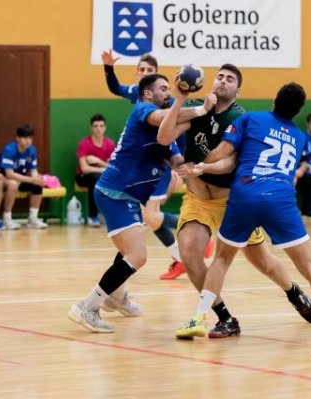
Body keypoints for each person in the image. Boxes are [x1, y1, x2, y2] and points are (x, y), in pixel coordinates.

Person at [172, 82, 311, 344]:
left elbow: (224, 155)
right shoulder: (299, 136)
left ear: (274, 100)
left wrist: (200, 165)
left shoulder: (250, 118)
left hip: (246, 194)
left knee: (222, 260)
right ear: (297, 111)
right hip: (280, 199)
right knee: (308, 265)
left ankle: (198, 318)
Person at [158, 65, 311, 339]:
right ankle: (224, 317)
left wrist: (201, 166)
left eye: (230, 80)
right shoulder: (197, 106)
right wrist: (181, 99)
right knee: (190, 253)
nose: (223, 81)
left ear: (237, 91)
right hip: (197, 199)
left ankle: (292, 290)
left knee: (261, 260)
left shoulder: (240, 117)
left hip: (231, 200)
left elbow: (232, 162)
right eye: (219, 77)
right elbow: (164, 136)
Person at [67, 73, 209, 332]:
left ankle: (116, 296)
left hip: (128, 195)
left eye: (170, 89)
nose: (168, 92)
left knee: (127, 250)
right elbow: (162, 118)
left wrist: (190, 169)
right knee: (137, 255)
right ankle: (87, 307)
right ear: (147, 94)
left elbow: (176, 160)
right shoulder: (144, 109)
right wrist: (198, 107)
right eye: (163, 89)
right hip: (115, 192)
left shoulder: (168, 131)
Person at [100, 49, 211, 279]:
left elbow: (173, 126)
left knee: (151, 217)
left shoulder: (166, 99)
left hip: (164, 158)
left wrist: (177, 160)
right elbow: (115, 88)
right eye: (141, 70)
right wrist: (109, 68)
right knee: (147, 219)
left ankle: (192, 242)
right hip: (146, 159)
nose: (144, 73)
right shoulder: (139, 95)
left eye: (150, 71)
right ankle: (182, 254)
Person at [0, 124, 47, 230]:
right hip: (3, 178)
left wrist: (37, 179)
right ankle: (7, 219)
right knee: (13, 184)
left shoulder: (32, 150)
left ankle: (32, 219)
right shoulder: (9, 149)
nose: (28, 141)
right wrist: (31, 179)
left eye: (30, 138)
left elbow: (33, 171)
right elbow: (9, 174)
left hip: (20, 178)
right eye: (24, 137)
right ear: (17, 138)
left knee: (37, 185)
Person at [75, 114, 116, 227]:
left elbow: (112, 166)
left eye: (101, 126)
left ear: (105, 128)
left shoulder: (110, 144)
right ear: (91, 128)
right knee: (95, 179)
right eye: (96, 126)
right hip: (83, 177)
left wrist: (99, 161)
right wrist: (103, 169)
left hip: (103, 175)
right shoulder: (84, 144)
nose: (98, 129)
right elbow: (84, 168)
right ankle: (93, 216)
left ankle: (111, 215)